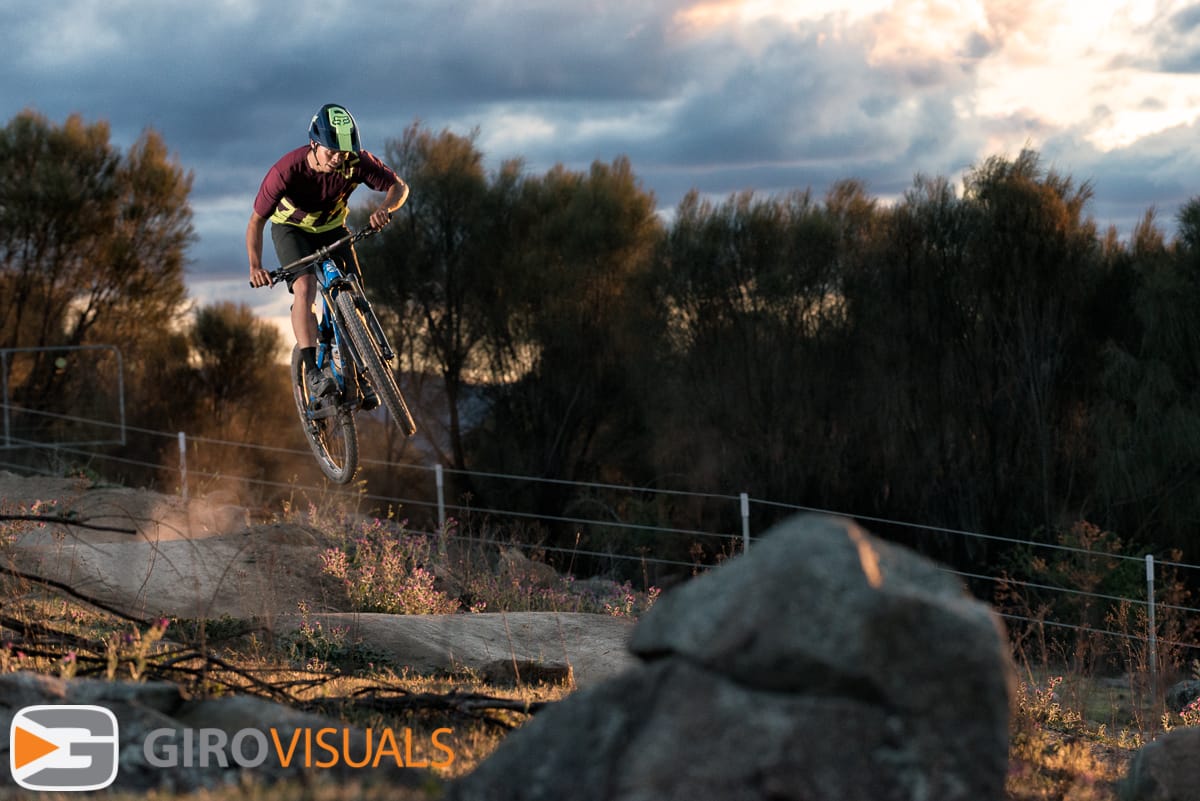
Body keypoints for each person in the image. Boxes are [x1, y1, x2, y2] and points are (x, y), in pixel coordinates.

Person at [247, 103, 409, 408]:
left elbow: (399, 188)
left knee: (353, 290)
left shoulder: (356, 162)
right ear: (313, 144)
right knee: (305, 287)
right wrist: (255, 266)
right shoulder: (286, 171)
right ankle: (313, 371)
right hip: (292, 230)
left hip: (333, 228)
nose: (338, 158)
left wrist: (384, 209)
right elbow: (256, 222)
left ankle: (360, 371)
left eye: (344, 152)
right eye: (331, 151)